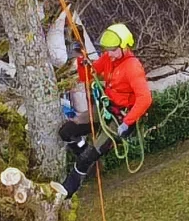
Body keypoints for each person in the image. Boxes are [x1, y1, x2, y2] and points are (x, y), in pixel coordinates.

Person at [56, 23, 153, 198]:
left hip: (120, 118)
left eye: (113, 50)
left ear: (124, 47)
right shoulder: (109, 59)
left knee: (86, 158)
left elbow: (145, 98)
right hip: (105, 109)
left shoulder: (133, 68)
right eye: (107, 50)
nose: (109, 53)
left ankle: (66, 190)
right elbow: (86, 76)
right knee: (67, 132)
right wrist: (81, 59)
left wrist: (127, 123)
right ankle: (84, 150)